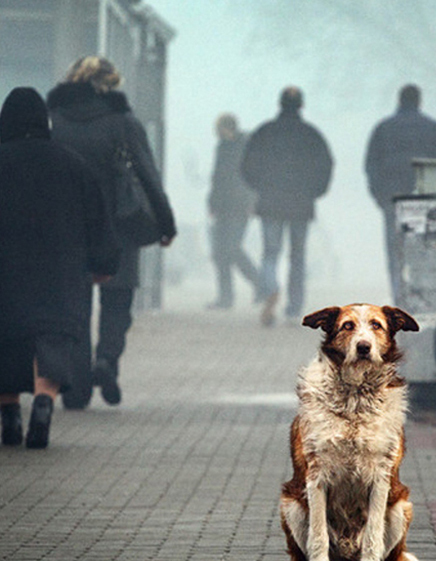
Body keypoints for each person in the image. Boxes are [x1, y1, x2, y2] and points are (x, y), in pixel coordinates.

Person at [47, 56, 177, 408]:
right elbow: (148, 175)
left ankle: (76, 387)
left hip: (69, 228)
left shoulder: (54, 120)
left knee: (75, 305)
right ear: (112, 83)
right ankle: (106, 360)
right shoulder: (123, 122)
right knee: (118, 302)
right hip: (120, 225)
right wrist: (165, 224)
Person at [0, 87, 120, 448]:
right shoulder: (72, 165)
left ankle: (8, 416)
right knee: (52, 338)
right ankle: (43, 402)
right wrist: (104, 264)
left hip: (6, 275)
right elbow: (98, 221)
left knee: (5, 339)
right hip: (59, 275)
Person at [241, 86, 333, 326]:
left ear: (279, 104)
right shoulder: (311, 135)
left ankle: (270, 288)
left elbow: (247, 164)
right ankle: (294, 307)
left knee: (270, 253)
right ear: (301, 105)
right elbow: (326, 164)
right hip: (301, 204)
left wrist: (259, 187)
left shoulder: (265, 132)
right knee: (297, 256)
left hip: (270, 202)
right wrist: (316, 191)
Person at [364, 84, 436, 300]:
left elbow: (370, 165)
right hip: (426, 200)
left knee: (396, 253)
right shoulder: (433, 128)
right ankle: (424, 297)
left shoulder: (383, 128)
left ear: (399, 100)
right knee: (426, 250)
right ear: (419, 101)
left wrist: (379, 196)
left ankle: (399, 298)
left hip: (392, 199)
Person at [206, 113, 258, 309]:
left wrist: (251, 202)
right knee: (220, 253)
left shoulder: (245, 146)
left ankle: (260, 284)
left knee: (232, 248)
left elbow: (252, 177)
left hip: (239, 207)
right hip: (223, 207)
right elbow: (217, 178)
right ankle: (225, 297)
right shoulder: (222, 147)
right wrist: (212, 203)